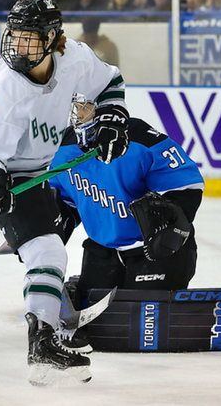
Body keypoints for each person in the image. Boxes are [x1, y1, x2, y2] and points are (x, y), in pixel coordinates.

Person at [0, 0, 130, 385]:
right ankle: (43, 345)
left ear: (52, 39)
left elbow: (111, 82)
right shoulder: (5, 85)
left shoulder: (75, 60)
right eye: (14, 36)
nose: (18, 46)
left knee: (48, 245)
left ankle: (46, 304)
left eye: (29, 39)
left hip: (39, 168)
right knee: (47, 249)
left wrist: (113, 118)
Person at [46, 95, 204, 348]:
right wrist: (41, 233)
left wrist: (170, 225)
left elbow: (187, 184)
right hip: (102, 250)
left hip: (154, 252)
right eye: (76, 106)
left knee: (139, 327)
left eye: (85, 107)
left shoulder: (139, 137)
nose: (78, 114)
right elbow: (65, 203)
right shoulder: (63, 146)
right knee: (97, 329)